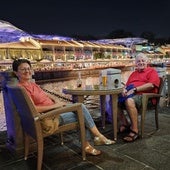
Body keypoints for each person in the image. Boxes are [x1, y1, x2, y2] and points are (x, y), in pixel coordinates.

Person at [12, 58, 115, 156]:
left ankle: (93, 140)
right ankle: (94, 139)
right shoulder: (22, 89)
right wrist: (57, 105)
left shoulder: (31, 84)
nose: (27, 71)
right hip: (48, 118)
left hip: (54, 111)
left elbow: (46, 94)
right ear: (16, 73)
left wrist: (56, 101)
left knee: (80, 109)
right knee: (81, 113)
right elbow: (33, 109)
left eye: (28, 68)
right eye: (23, 69)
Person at [118, 53, 160, 142]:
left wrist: (135, 89)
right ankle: (125, 123)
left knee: (129, 101)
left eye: (143, 61)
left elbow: (151, 85)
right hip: (133, 95)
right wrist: (124, 89)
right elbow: (127, 85)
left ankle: (134, 130)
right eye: (138, 61)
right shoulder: (133, 73)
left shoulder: (152, 71)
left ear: (147, 62)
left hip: (145, 97)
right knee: (114, 100)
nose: (141, 63)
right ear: (136, 63)